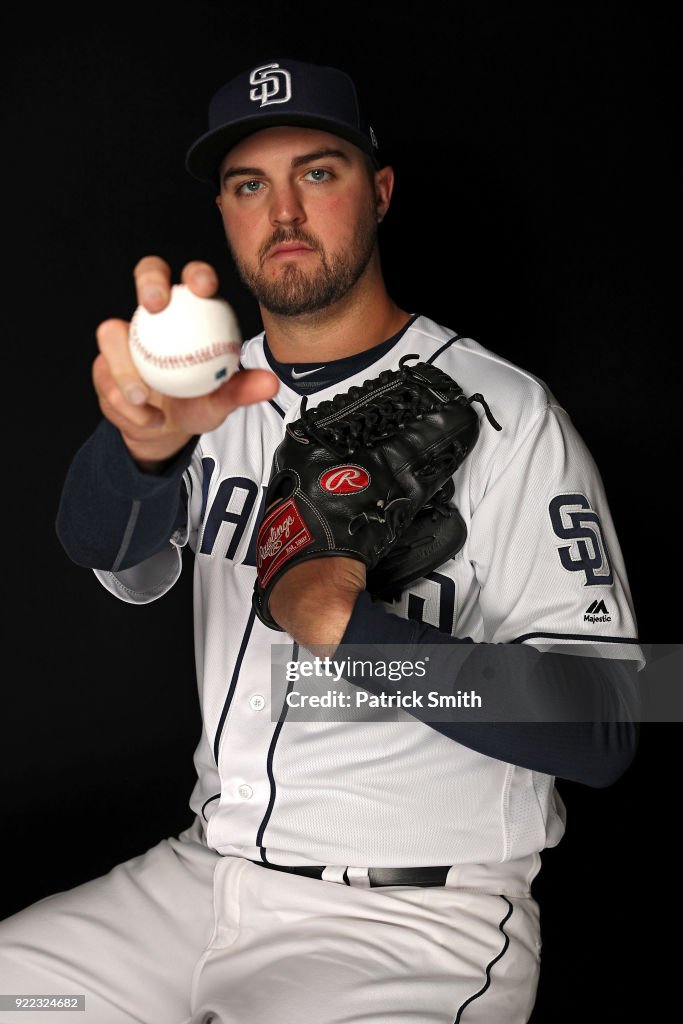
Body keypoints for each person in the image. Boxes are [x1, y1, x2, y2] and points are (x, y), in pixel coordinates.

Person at [0, 57, 642, 1024]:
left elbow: (611, 721)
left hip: (409, 927)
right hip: (198, 882)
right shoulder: (199, 396)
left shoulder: (510, 415)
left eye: (318, 172)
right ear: (224, 212)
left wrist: (356, 635)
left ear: (378, 192)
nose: (284, 212)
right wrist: (138, 452)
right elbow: (98, 547)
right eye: (249, 185)